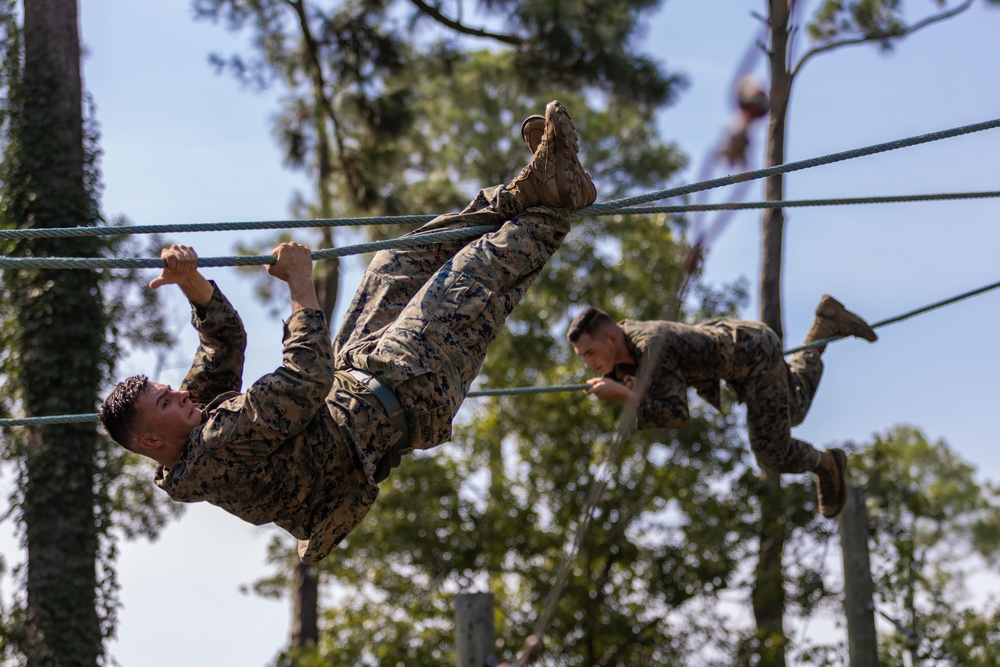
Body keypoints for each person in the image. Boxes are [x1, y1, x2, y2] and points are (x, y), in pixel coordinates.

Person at [99, 100, 597, 563]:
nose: (179, 394)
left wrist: (192, 286)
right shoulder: (213, 449)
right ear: (148, 440)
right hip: (409, 388)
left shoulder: (191, 422)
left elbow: (224, 344)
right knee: (471, 277)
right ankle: (555, 202)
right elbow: (304, 378)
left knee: (393, 264)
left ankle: (528, 190)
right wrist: (300, 284)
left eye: (166, 389)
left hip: (358, 370)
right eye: (165, 402)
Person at [566, 296, 878, 519]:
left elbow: (676, 414)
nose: (589, 363)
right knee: (792, 409)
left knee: (771, 452)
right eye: (583, 357)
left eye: (591, 353)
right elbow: (649, 372)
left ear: (610, 337)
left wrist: (622, 394)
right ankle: (825, 324)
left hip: (753, 356)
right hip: (742, 343)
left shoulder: (650, 346)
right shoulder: (626, 341)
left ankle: (826, 463)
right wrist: (630, 384)